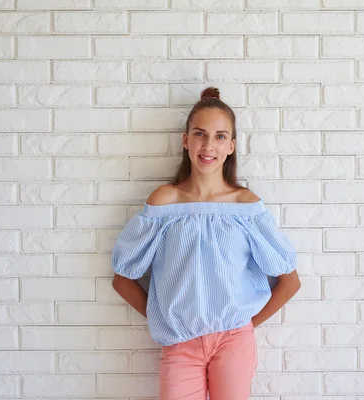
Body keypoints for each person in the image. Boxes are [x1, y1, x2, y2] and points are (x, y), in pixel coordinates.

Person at [110, 87, 301, 400]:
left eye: (220, 136)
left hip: (234, 340)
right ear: (186, 140)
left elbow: (289, 281)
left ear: (231, 146)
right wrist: (166, 318)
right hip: (180, 343)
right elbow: (123, 279)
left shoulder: (246, 208)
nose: (208, 145)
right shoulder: (163, 205)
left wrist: (246, 325)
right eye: (200, 134)